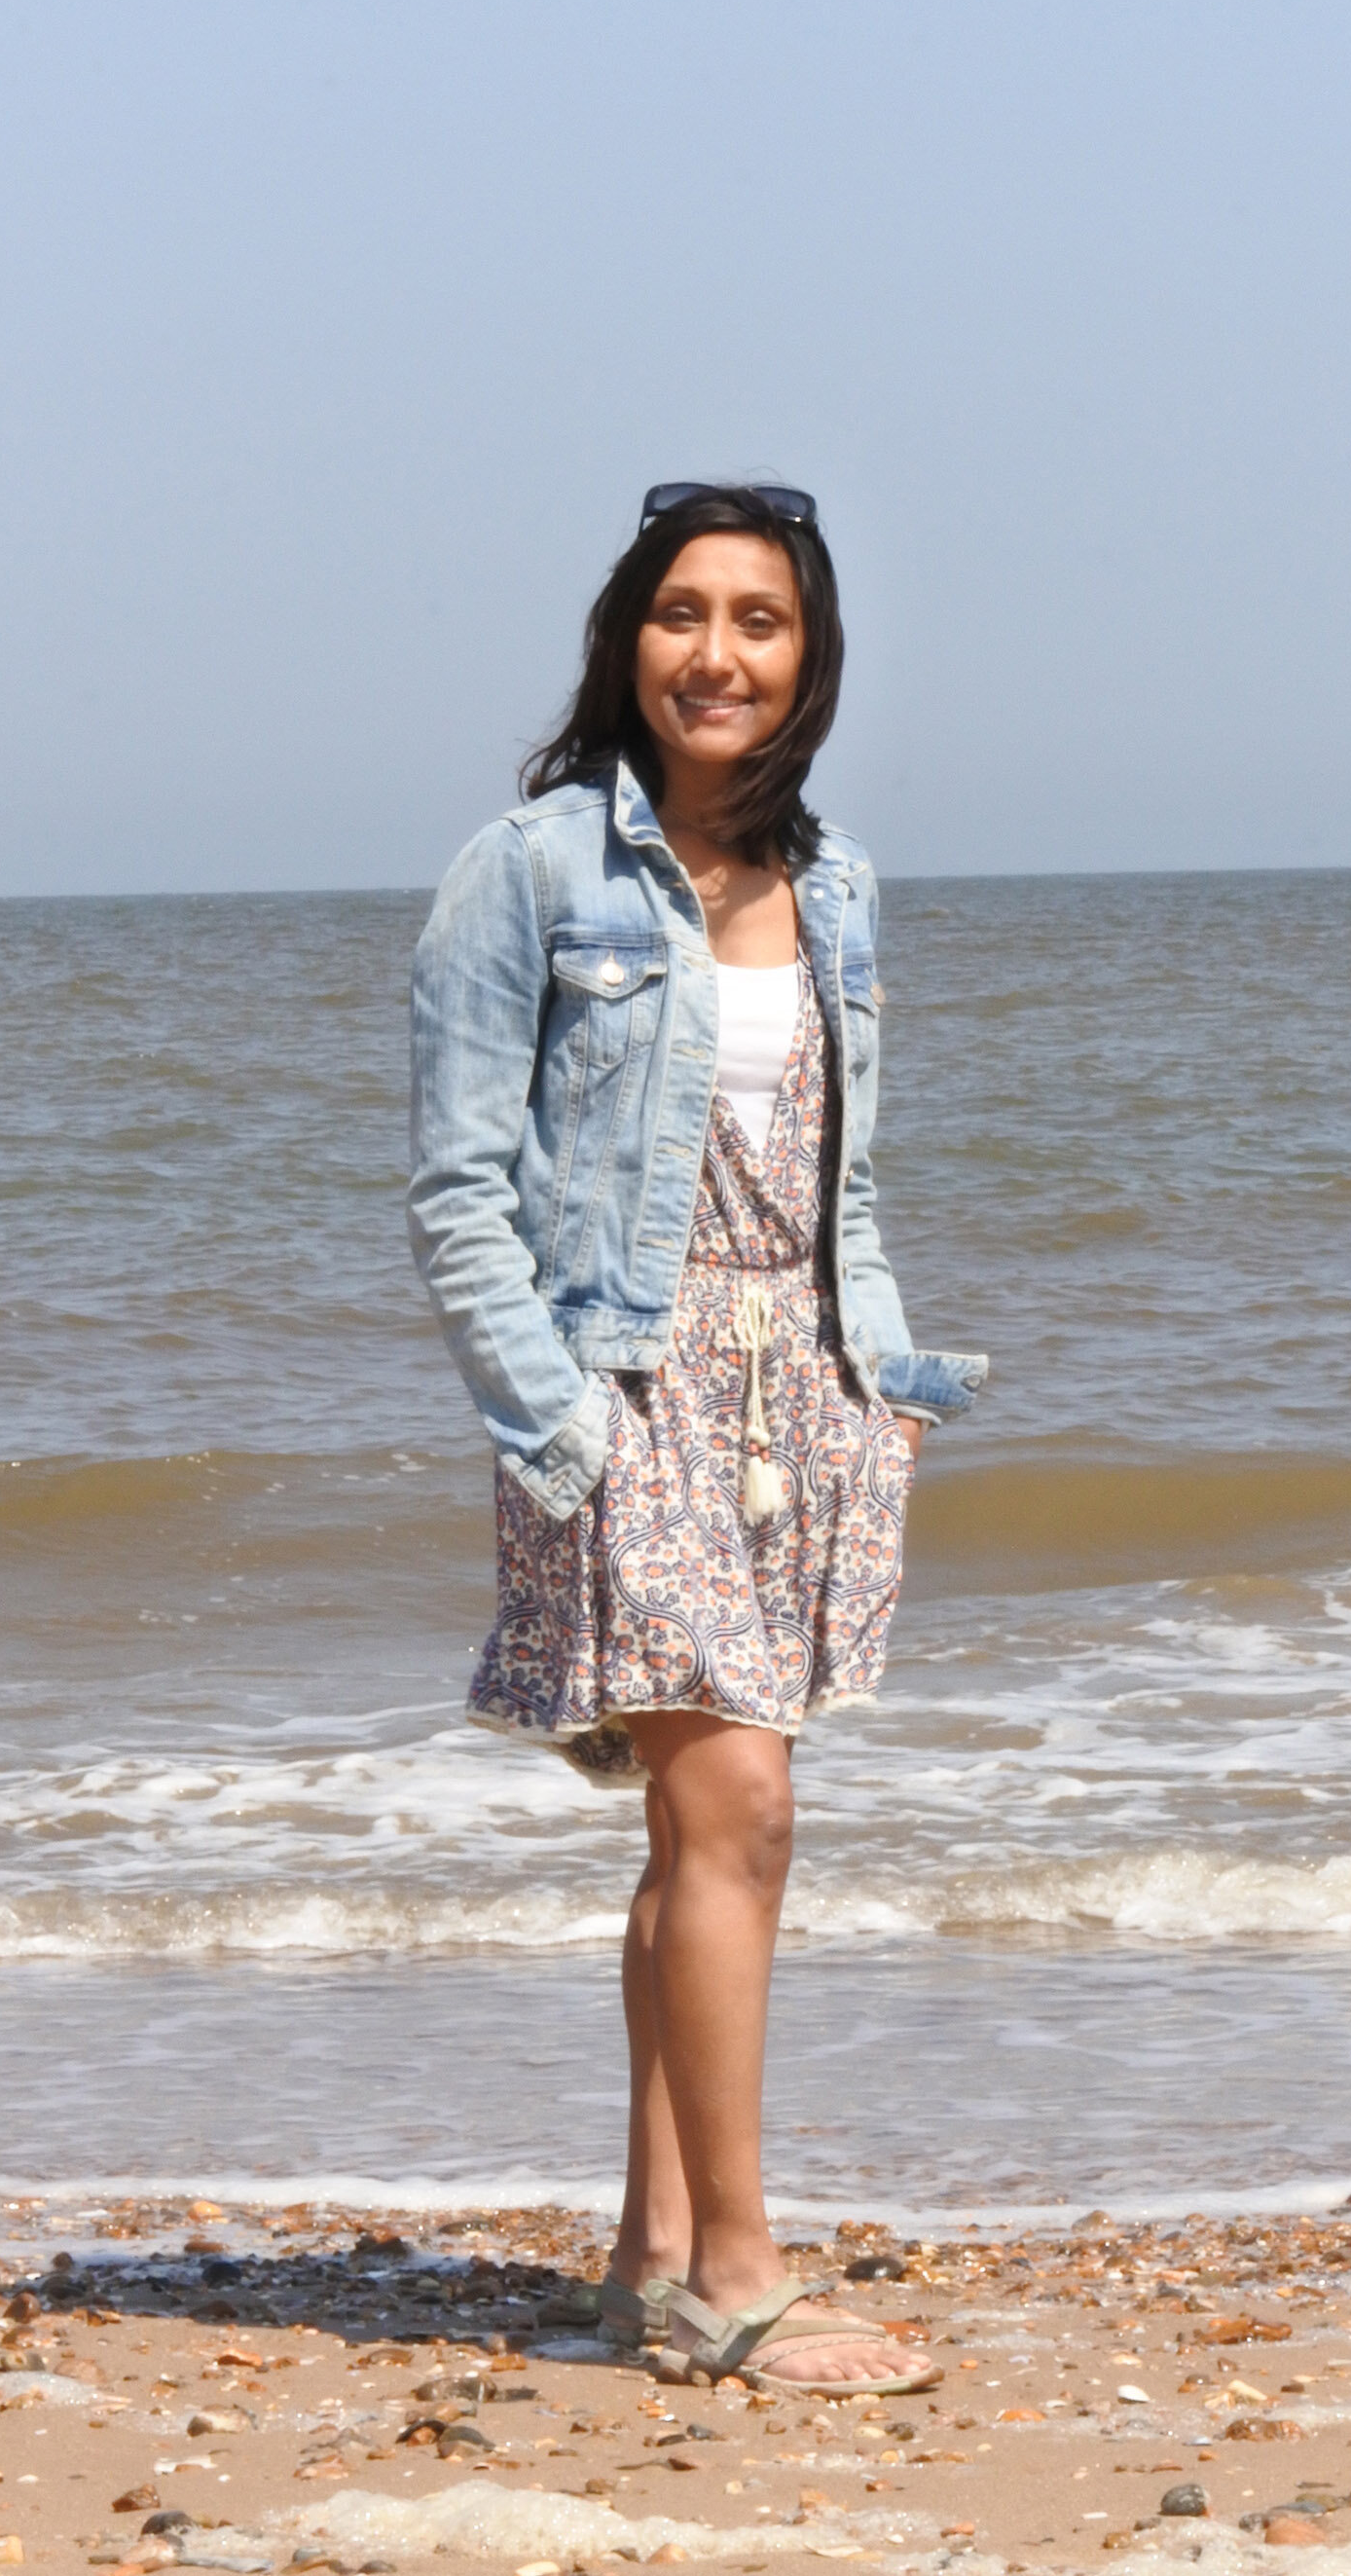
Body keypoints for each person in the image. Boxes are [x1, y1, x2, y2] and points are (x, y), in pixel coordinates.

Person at [407, 482, 986, 2394]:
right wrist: (559, 1417)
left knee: (698, 1831)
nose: (715, 652)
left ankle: (650, 2254)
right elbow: (457, 1191)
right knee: (741, 1813)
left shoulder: (841, 885)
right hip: (625, 1384)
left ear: (808, 661)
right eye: (681, 613)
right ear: (626, 642)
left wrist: (878, 1379)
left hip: (801, 1392)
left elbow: (843, 1180)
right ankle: (741, 2277)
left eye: (759, 619)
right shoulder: (531, 871)